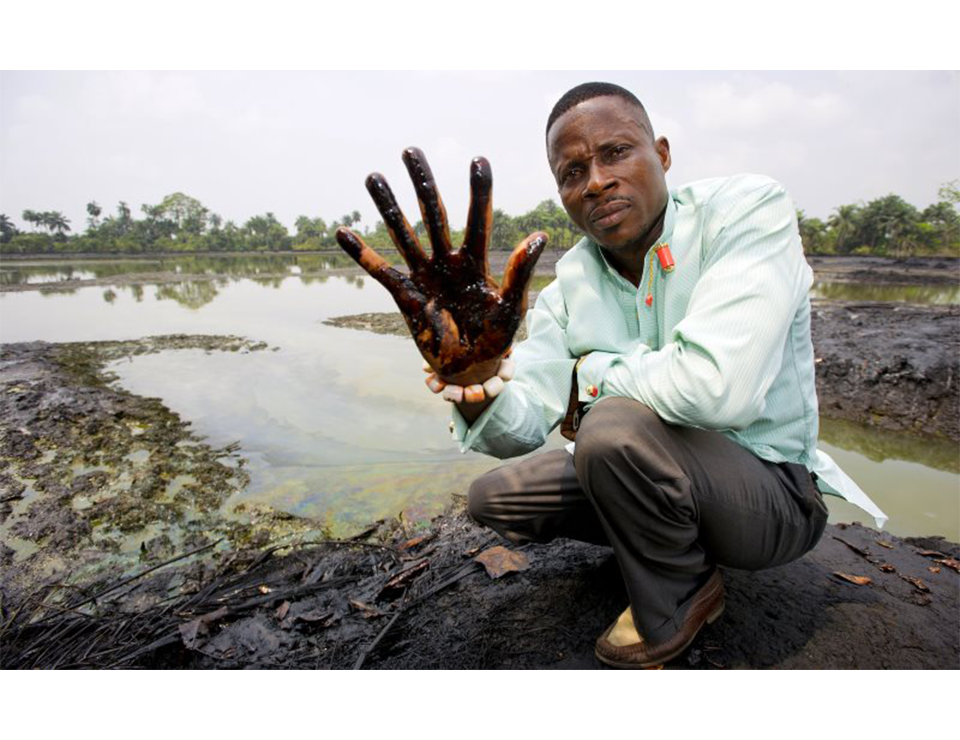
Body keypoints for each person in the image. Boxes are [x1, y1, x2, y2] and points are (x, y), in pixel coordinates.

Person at [337, 81, 886, 669]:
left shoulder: (744, 211)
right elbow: (522, 423)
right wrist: (475, 380)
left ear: (662, 154)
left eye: (616, 153)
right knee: (496, 498)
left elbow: (717, 389)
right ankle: (662, 541)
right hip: (656, 473)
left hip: (771, 495)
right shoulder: (570, 284)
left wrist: (588, 376)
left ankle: (683, 592)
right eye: (572, 172)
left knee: (610, 429)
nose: (596, 182)